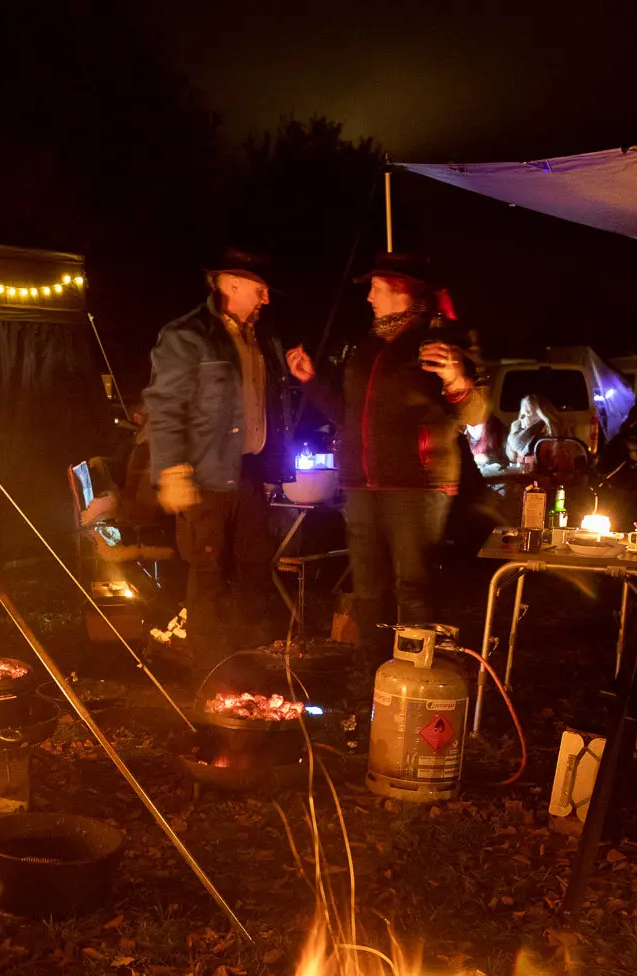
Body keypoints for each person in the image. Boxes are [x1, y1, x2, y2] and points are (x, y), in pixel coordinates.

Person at [291, 252, 487, 663]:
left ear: (402, 293)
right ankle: (374, 679)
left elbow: (474, 413)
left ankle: (414, 675)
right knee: (367, 588)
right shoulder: (368, 346)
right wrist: (310, 382)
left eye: (377, 289)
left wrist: (456, 379)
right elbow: (347, 416)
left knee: (412, 586)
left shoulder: (442, 341)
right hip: (362, 483)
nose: (369, 298)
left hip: (417, 484)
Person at [143, 249, 294, 672]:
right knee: (206, 574)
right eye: (260, 290)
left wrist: (271, 468)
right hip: (204, 475)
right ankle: (208, 674)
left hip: (248, 473)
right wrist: (172, 469)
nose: (267, 300)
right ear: (231, 284)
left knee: (253, 570)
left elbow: (270, 404)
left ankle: (246, 661)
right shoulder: (188, 335)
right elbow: (165, 406)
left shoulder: (261, 339)